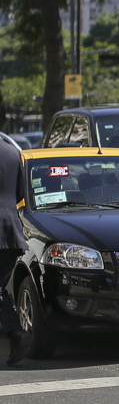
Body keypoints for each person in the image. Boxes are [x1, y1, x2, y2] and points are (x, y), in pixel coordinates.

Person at [1, 138, 26, 364]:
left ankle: (14, 331)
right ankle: (14, 332)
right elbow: (21, 193)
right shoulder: (12, 150)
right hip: (11, 230)